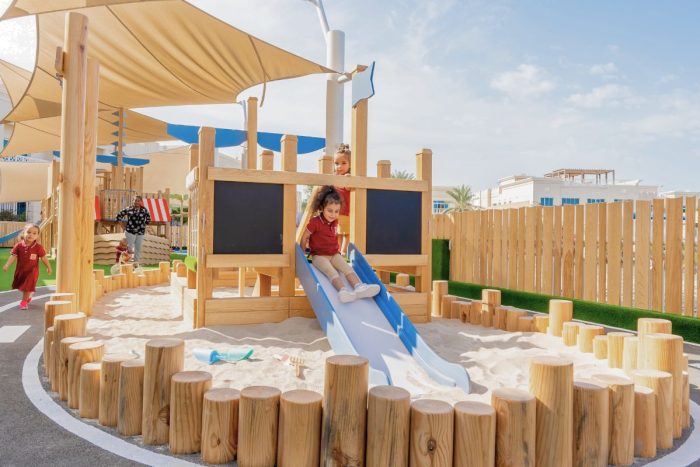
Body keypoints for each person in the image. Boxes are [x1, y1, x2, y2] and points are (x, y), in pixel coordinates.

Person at [300, 186, 379, 303]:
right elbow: (305, 236)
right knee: (331, 271)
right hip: (319, 256)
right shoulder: (315, 222)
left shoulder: (335, 221)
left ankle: (359, 287)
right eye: (330, 211)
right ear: (322, 208)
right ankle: (343, 291)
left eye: (336, 211)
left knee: (346, 268)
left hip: (334, 254)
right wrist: (303, 255)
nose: (333, 214)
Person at [2, 223, 52, 310]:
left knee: (27, 285)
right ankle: (29, 294)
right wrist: (7, 264)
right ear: (24, 233)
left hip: (32, 271)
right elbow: (13, 256)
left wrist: (48, 267)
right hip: (21, 271)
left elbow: (43, 257)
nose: (31, 235)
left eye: (34, 233)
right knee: (23, 286)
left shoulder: (38, 247)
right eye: (28, 232)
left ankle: (24, 302)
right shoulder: (19, 245)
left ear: (37, 236)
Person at [116, 195, 151, 262]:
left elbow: (148, 219)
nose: (136, 202)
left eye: (138, 201)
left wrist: (144, 226)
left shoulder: (144, 210)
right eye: (135, 200)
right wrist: (122, 226)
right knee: (129, 248)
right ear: (132, 201)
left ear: (141, 202)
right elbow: (118, 216)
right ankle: (126, 263)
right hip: (130, 232)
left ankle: (136, 264)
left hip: (140, 232)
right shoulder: (128, 209)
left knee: (138, 248)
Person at [334, 144, 352, 255]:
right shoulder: (334, 176)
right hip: (335, 211)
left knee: (346, 233)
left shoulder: (348, 177)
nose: (339, 166)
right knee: (337, 233)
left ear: (350, 165)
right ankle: (337, 250)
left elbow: (349, 187)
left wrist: (348, 180)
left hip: (346, 211)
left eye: (343, 163)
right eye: (336, 164)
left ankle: (344, 251)